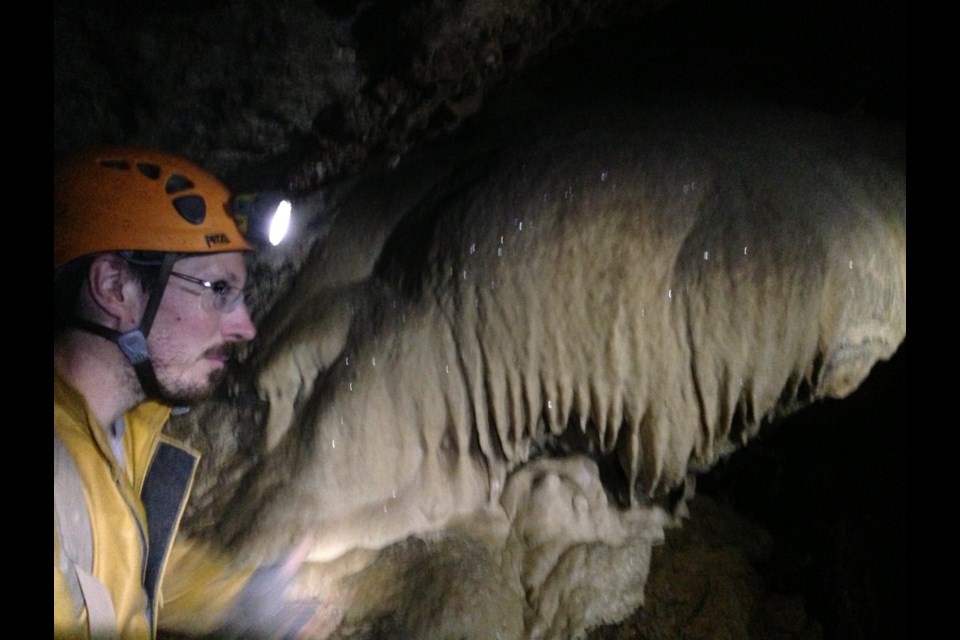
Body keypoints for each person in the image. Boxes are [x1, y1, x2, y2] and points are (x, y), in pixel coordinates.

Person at [54, 147, 339, 639]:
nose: (246, 326)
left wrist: (238, 600)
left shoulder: (117, 437)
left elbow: (118, 567)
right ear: (115, 286)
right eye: (218, 290)